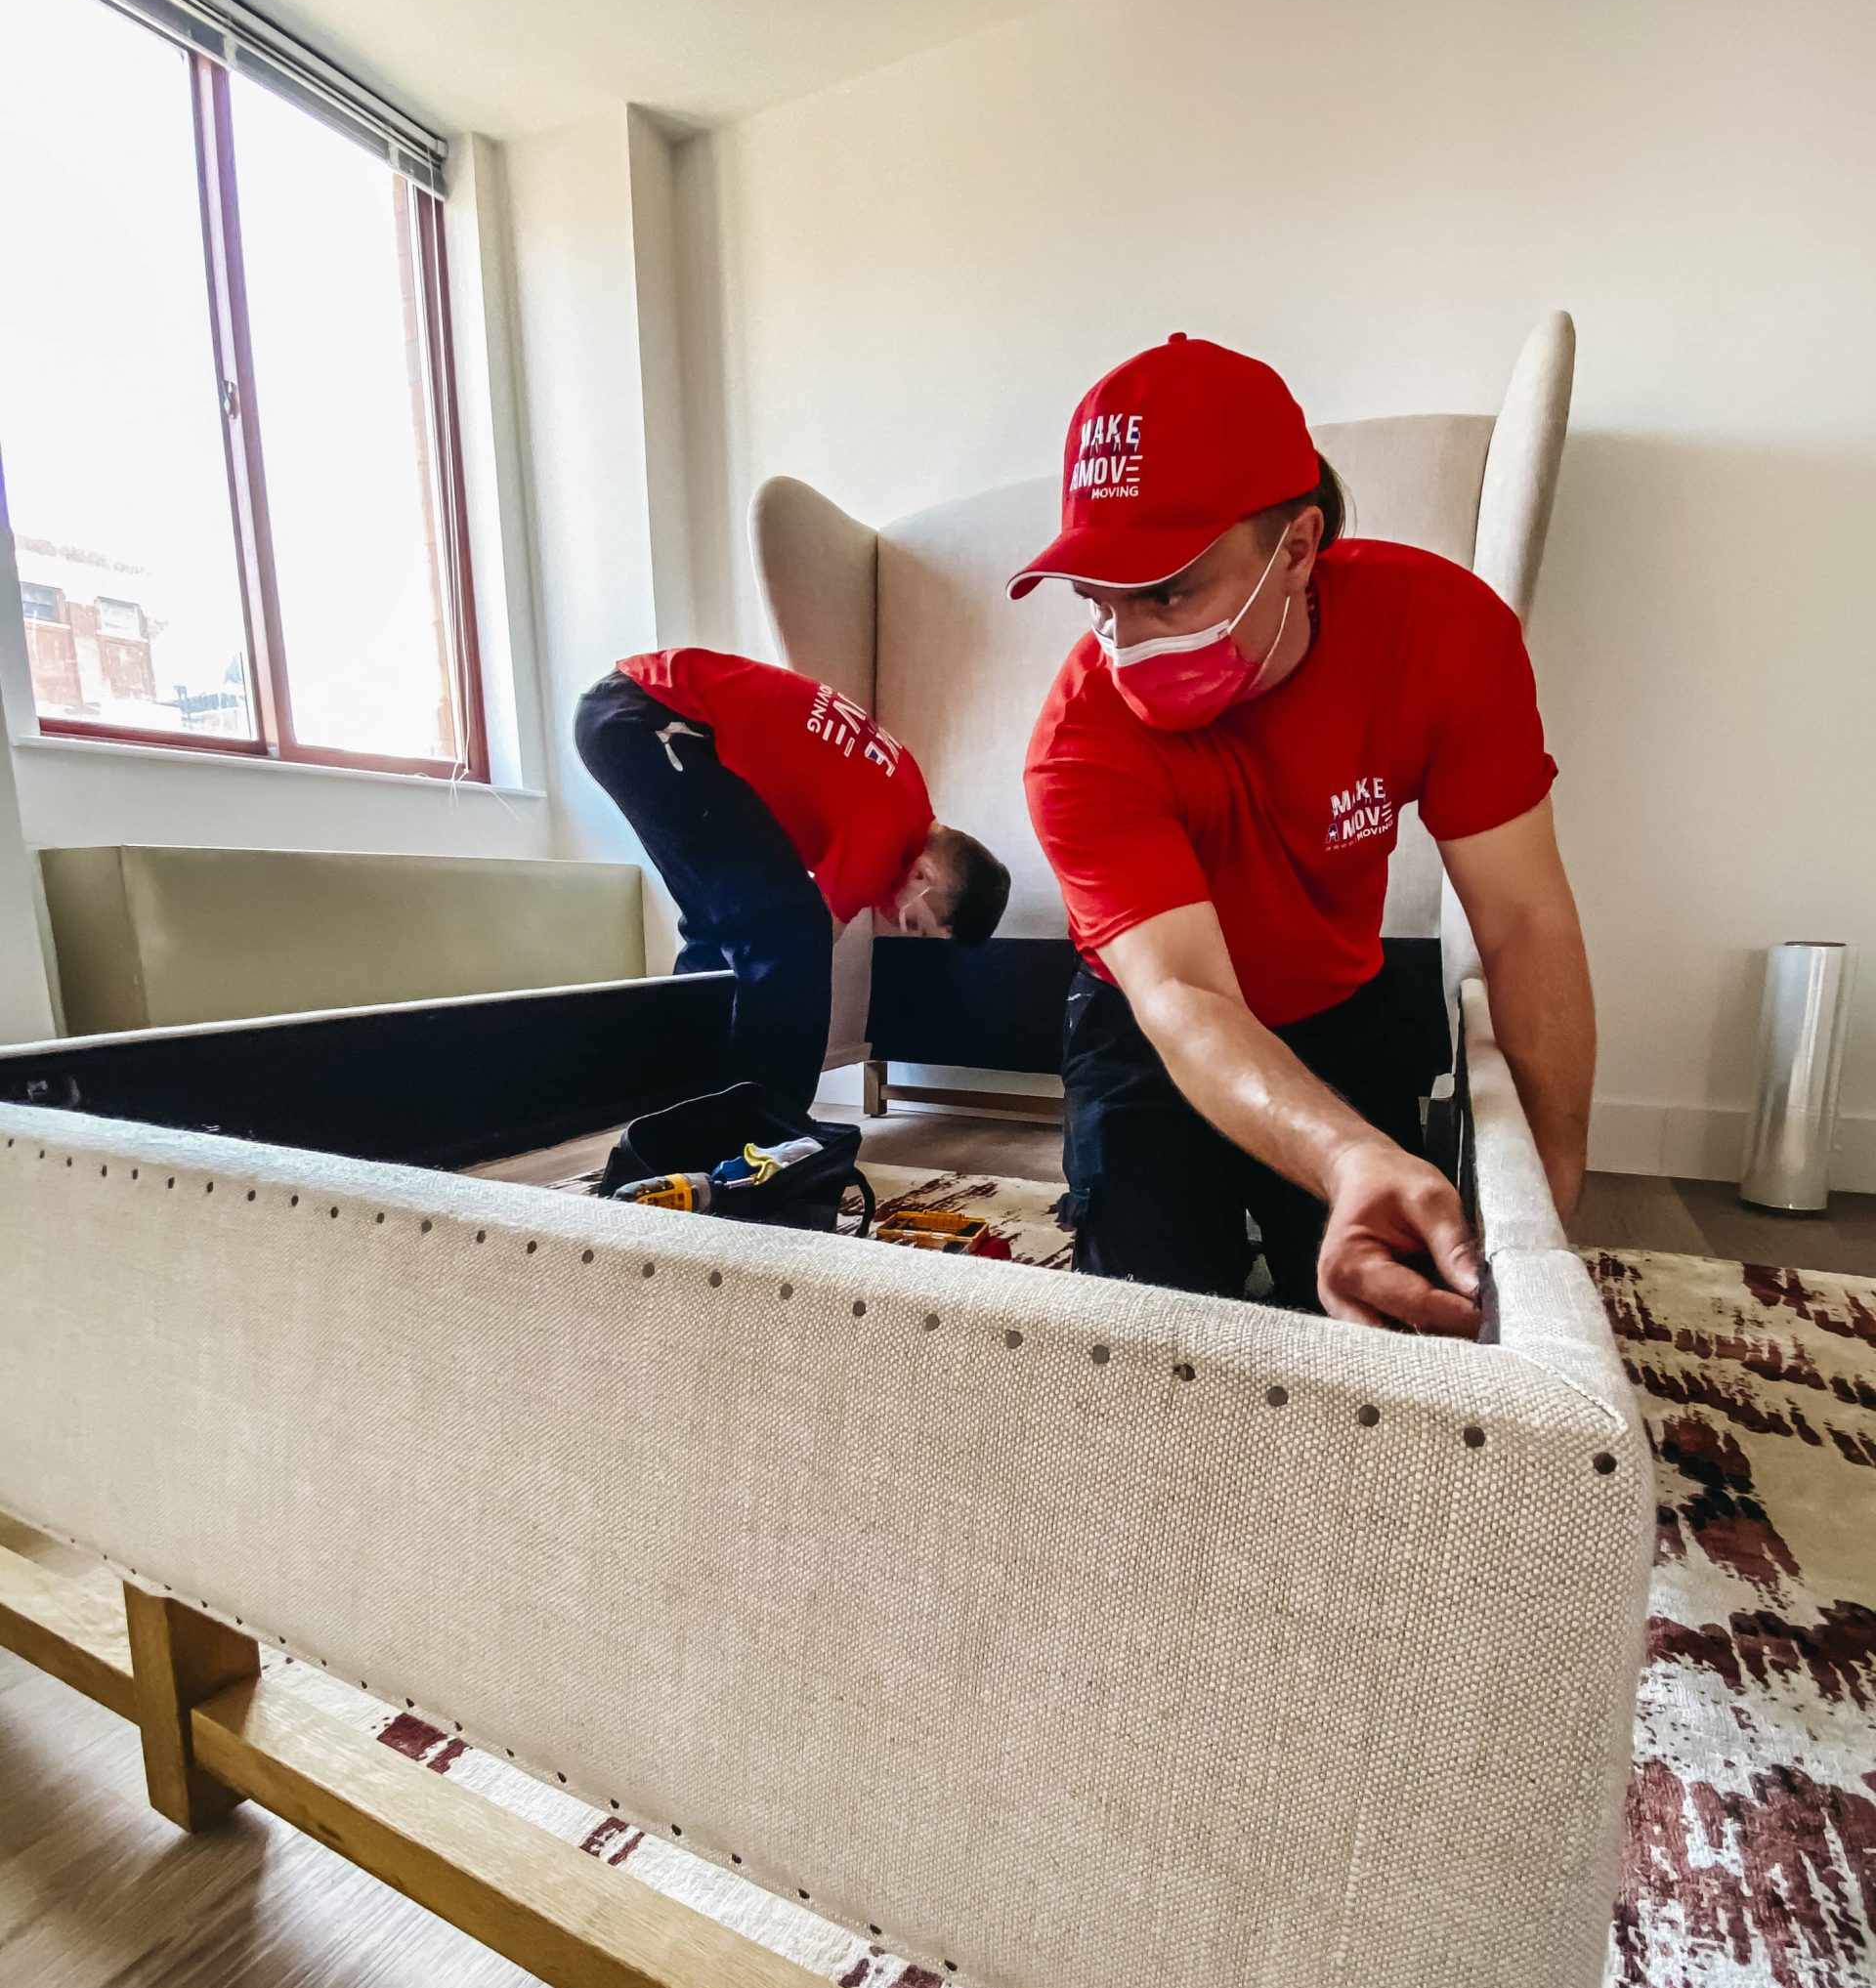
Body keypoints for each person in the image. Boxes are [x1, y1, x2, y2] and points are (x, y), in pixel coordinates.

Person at [1014, 333, 1595, 1336]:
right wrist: (1346, 1155)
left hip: (1341, 1010)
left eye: (1165, 592)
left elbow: (1525, 919)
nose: (1126, 642)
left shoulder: (1442, 637)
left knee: (1387, 1319)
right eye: (1098, 600)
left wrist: (1547, 1191)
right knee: (1147, 1338)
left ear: (1296, 546)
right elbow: (1187, 996)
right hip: (1151, 1035)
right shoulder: (1077, 746)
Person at [576, 649, 1010, 1109]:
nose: (898, 923)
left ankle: (684, 1101)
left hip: (636, 710)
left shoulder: (904, 795)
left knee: (724, 926)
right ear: (926, 874)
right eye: (916, 923)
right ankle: (772, 1128)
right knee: (790, 929)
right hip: (645, 717)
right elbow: (811, 942)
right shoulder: (883, 837)